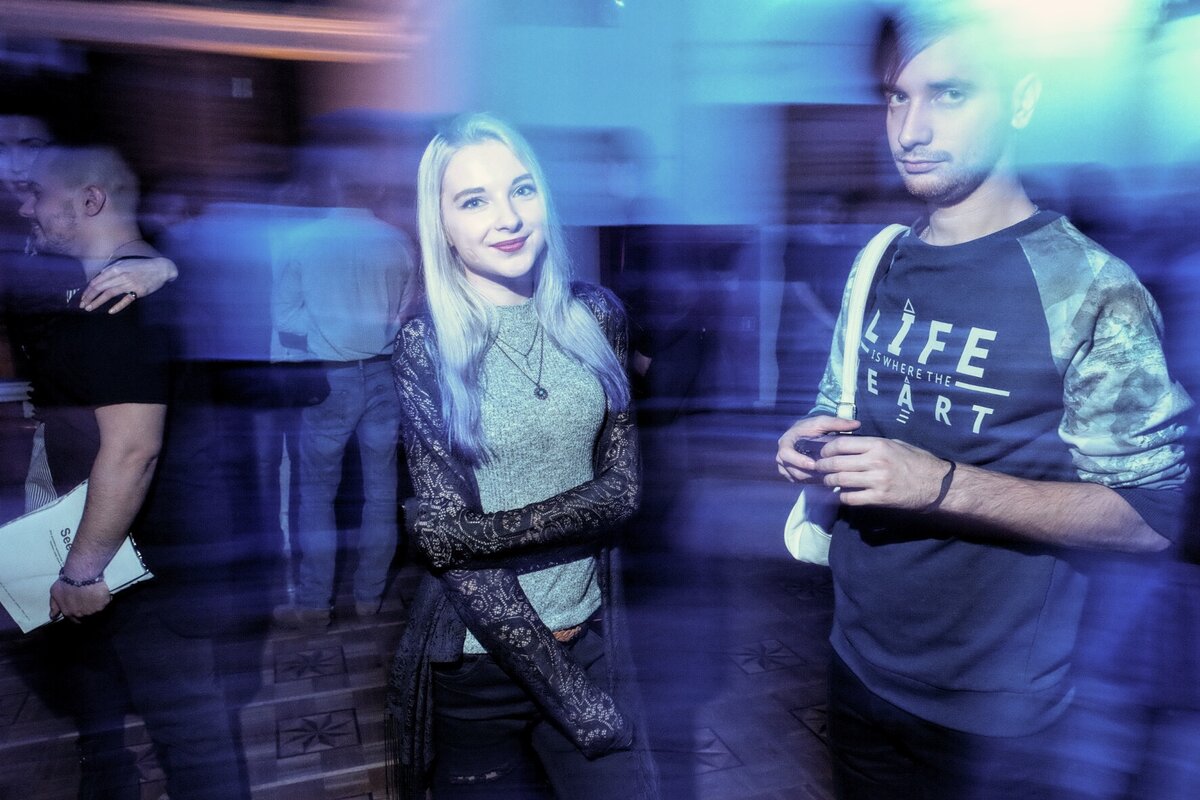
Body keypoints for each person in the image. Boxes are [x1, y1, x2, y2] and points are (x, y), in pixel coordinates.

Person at [774, 5, 1191, 799]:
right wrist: (810, 440)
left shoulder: (1091, 290)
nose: (911, 129)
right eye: (897, 97)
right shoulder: (878, 259)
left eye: (951, 94)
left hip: (998, 717)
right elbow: (842, 401)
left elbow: (1151, 518)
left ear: (1021, 100)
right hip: (856, 666)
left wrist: (938, 485)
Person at [387, 113, 658, 799]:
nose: (507, 218)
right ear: (441, 224)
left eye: (522, 189)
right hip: (479, 666)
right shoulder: (426, 345)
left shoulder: (597, 316)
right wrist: (571, 696)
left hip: (591, 635)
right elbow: (466, 576)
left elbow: (622, 493)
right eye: (473, 200)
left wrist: (470, 535)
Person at [12, 144, 248, 799]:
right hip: (151, 545)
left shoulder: (119, 303)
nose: (25, 209)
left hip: (150, 559)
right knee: (159, 720)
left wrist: (81, 572)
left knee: (191, 739)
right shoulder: (133, 281)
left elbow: (131, 451)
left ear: (90, 200)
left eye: (36, 194)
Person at [270, 156, 414, 626]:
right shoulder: (397, 241)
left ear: (333, 185)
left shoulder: (302, 241)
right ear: (376, 191)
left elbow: (284, 317)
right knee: (381, 492)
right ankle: (370, 597)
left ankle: (316, 603)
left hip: (330, 376)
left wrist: (325, 326)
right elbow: (404, 312)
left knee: (317, 495)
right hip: (384, 373)